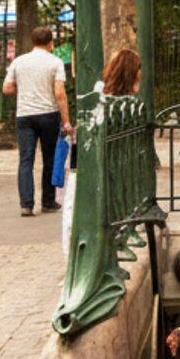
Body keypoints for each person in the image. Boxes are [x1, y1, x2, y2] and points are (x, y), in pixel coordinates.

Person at [62, 51, 140, 254]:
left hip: (88, 162)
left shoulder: (111, 98)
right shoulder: (110, 102)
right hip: (91, 164)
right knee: (79, 209)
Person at [3, 26, 71, 217]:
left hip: (25, 115)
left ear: (33, 41)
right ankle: (48, 201)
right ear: (50, 43)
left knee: (26, 159)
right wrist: (66, 120)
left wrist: (24, 89)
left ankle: (26, 204)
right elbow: (60, 93)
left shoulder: (19, 61)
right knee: (49, 158)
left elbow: (7, 88)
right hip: (48, 114)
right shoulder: (55, 62)